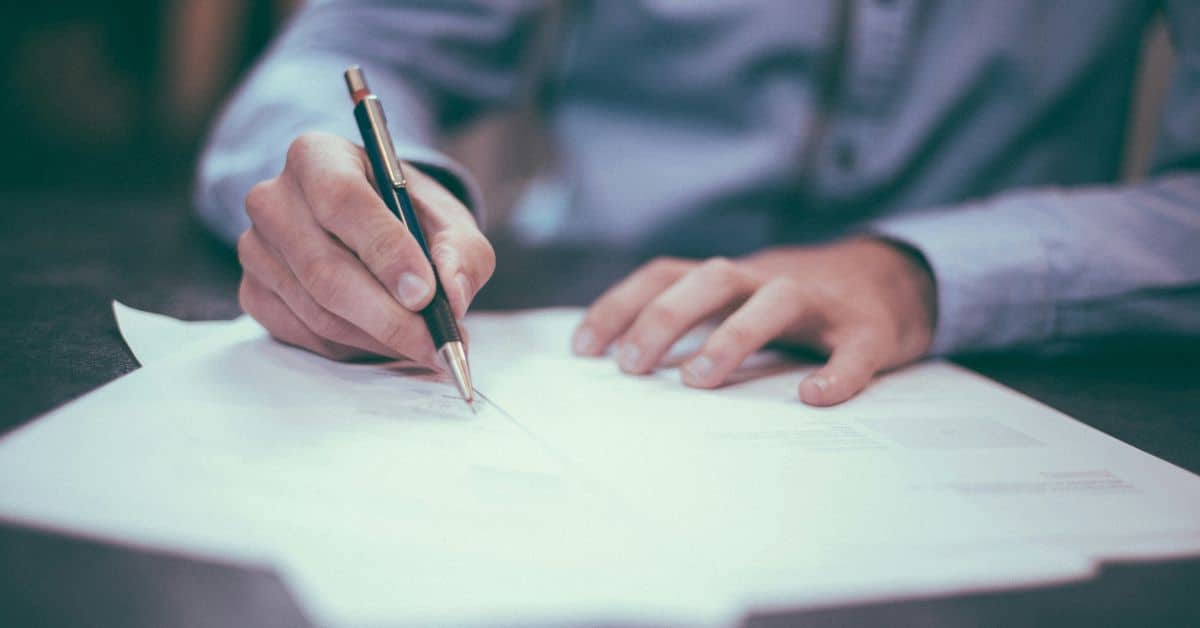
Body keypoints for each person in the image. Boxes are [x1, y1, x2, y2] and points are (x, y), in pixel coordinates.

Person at [196, 1, 1200, 407]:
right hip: (594, 330)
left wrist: (920, 270)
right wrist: (380, 198)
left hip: (1008, 368)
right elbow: (342, 53)